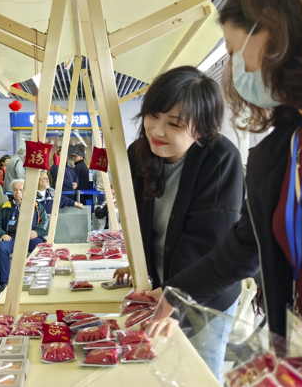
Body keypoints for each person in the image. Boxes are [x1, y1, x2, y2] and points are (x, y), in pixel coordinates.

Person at [146, 0, 302, 386]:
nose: (236, 67)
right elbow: (244, 247)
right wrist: (174, 294)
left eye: (235, 50)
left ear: (275, 34)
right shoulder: (285, 148)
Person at [113, 65, 244, 383]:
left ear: (201, 129)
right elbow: (139, 219)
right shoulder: (137, 154)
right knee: (161, 369)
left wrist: (177, 300)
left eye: (173, 124)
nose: (156, 131)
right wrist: (138, 263)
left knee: (199, 373)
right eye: (153, 116)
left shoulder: (220, 159)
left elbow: (208, 242)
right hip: (161, 286)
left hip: (206, 295)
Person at [0, 179, 49, 298]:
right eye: (15, 190)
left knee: (40, 249)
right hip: (11, 237)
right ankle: (4, 285)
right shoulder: (6, 207)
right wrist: (2, 234)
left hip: (30, 237)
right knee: (1, 248)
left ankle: (38, 282)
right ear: (12, 191)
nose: (18, 192)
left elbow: (45, 222)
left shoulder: (36, 206)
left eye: (21, 190)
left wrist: (37, 232)